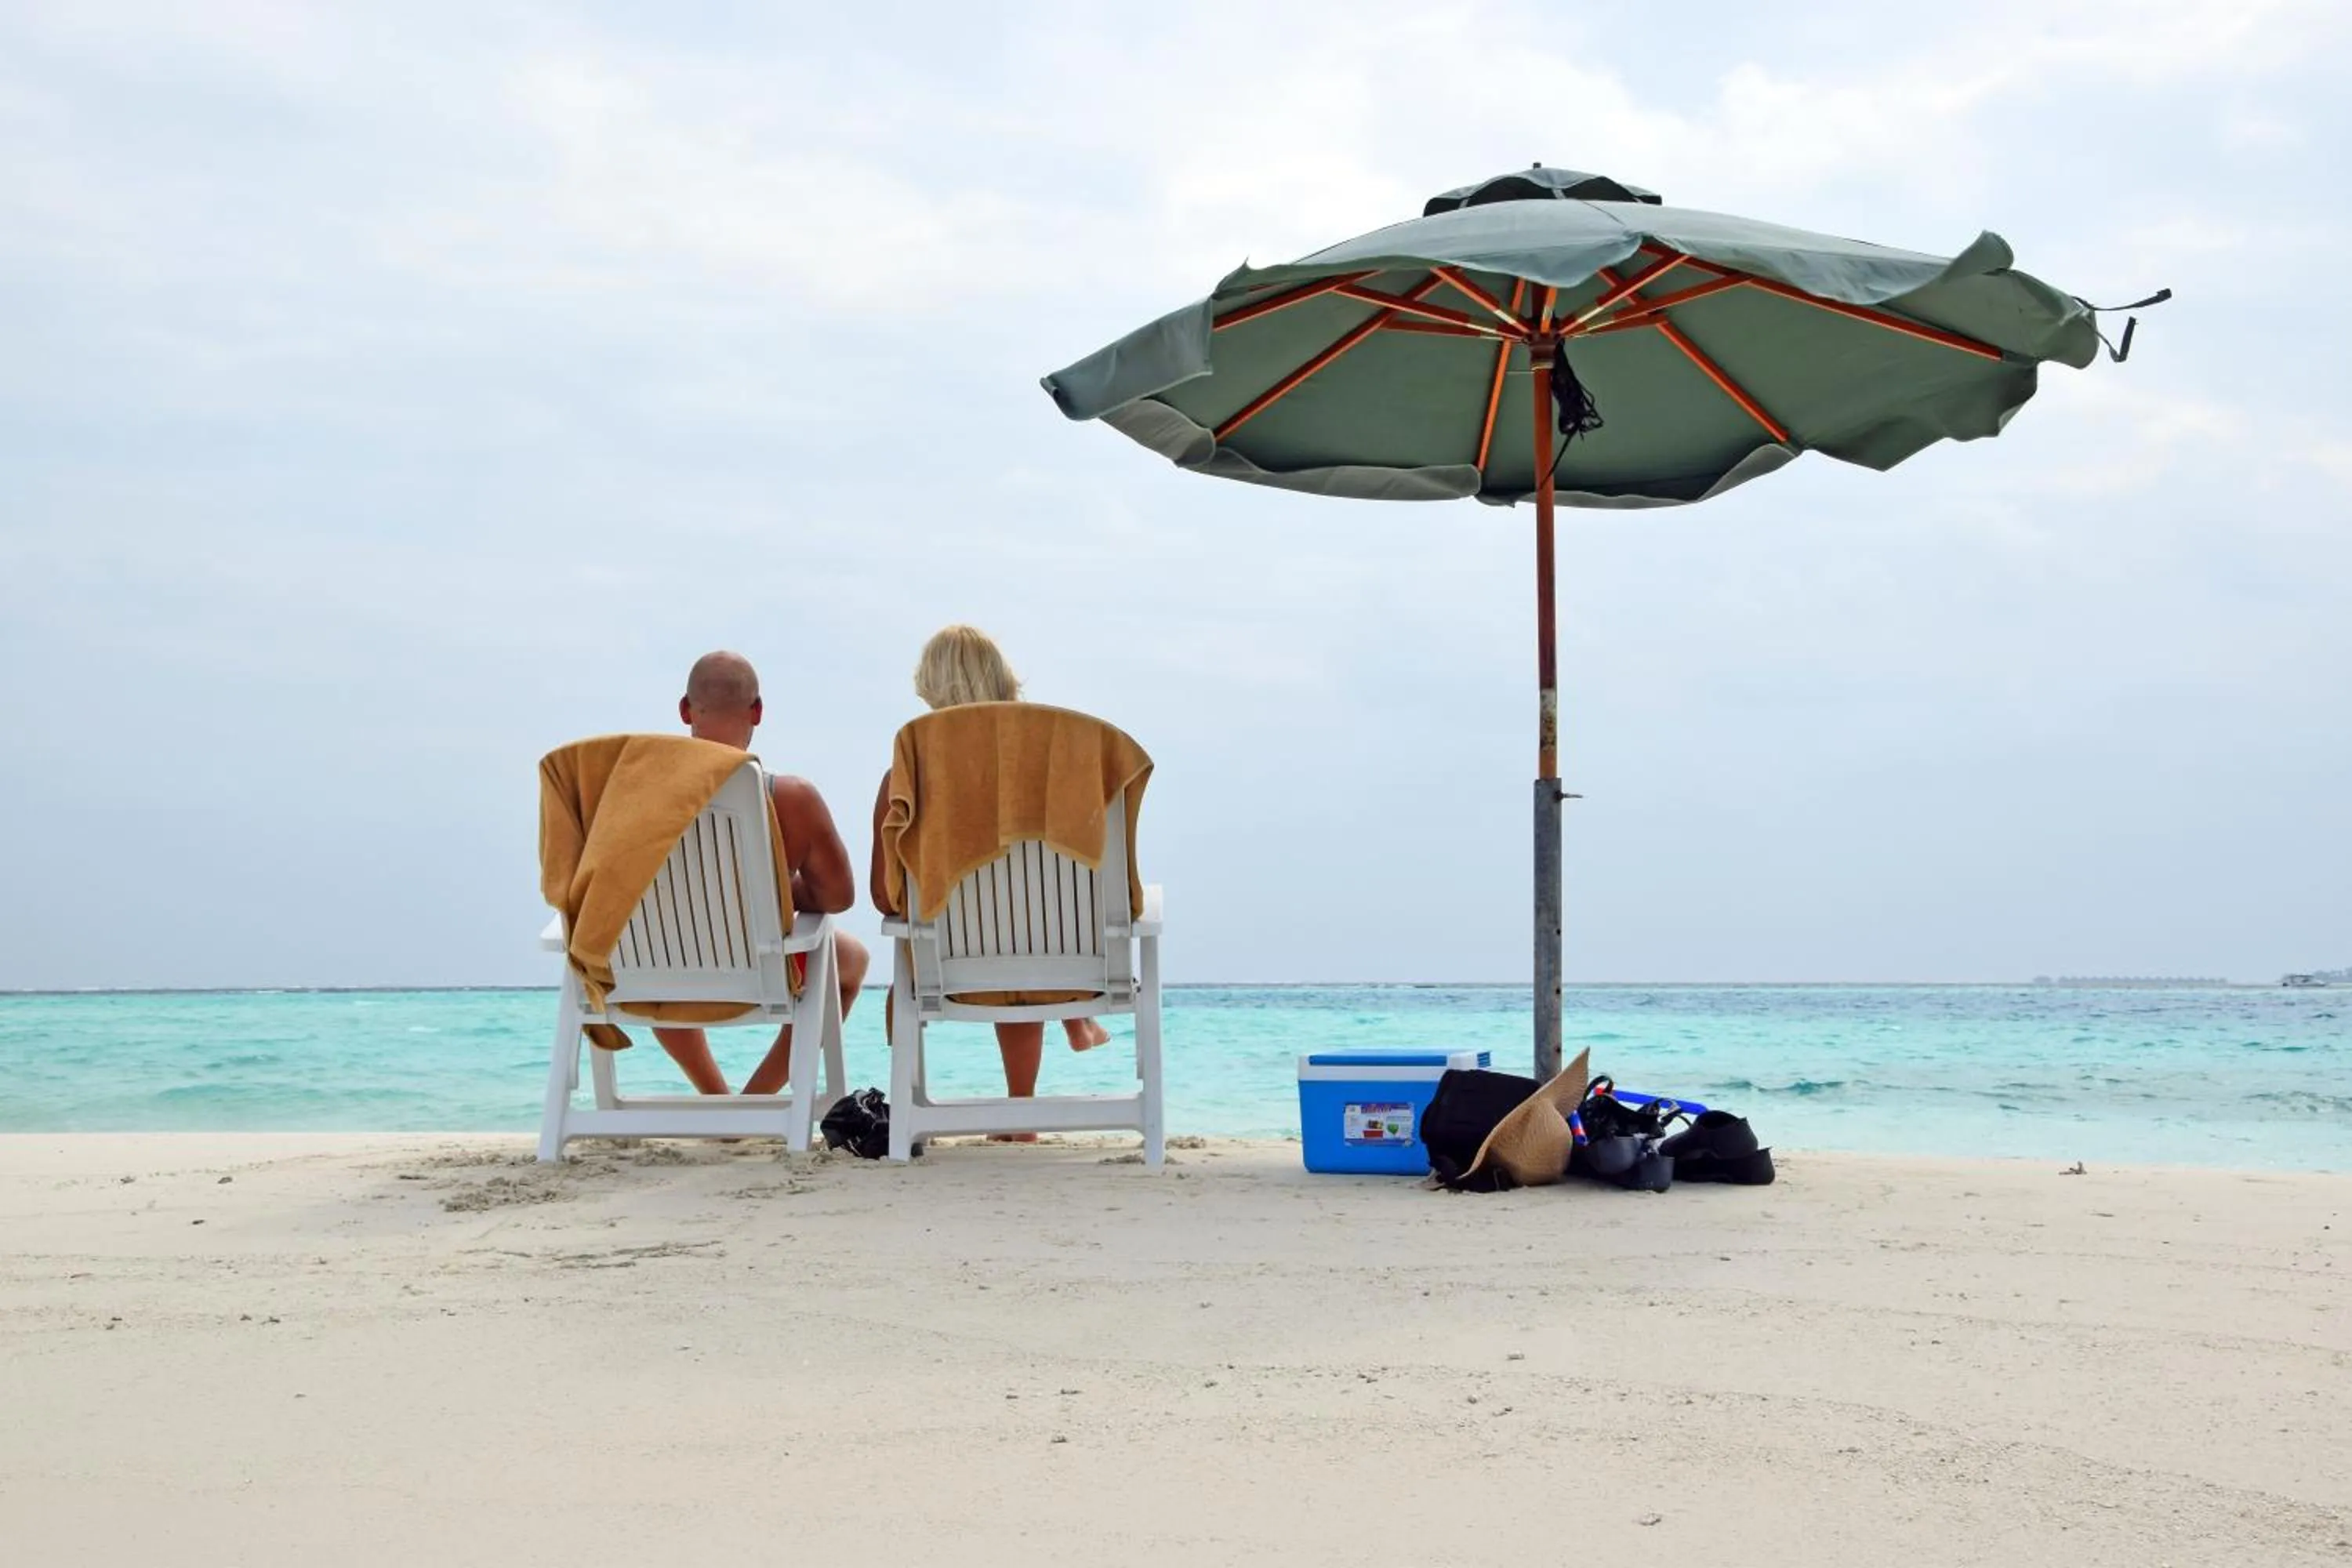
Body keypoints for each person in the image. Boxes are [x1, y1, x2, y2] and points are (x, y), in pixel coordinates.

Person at [869, 626, 1110, 1130]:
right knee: (1021, 941)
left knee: (973, 952)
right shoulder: (1056, 777)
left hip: (947, 968)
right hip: (1057, 961)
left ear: (930, 689)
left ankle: (917, 1110)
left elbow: (882, 896)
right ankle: (1022, 1111)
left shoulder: (904, 780)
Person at [651, 651, 869, 1096]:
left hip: (656, 972)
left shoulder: (632, 800)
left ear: (685, 710)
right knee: (852, 961)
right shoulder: (790, 798)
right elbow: (837, 896)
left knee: (656, 964)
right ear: (758, 711)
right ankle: (753, 1103)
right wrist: (779, 888)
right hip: (760, 967)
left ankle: (719, 1100)